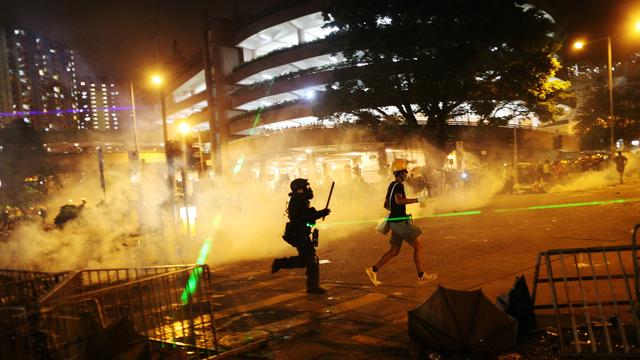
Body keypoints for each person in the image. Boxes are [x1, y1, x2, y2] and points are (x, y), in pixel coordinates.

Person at [365, 159, 437, 286]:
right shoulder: (398, 186)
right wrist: (418, 199)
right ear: (400, 173)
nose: (406, 174)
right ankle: (421, 275)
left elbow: (386, 205)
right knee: (418, 246)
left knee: (394, 250)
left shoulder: (391, 186)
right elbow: (399, 201)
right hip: (400, 223)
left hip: (395, 221)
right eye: (405, 172)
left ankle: (373, 269)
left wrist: (394, 212)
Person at [272, 178, 331, 294]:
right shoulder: (296, 200)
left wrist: (319, 212)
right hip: (299, 234)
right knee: (311, 260)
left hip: (302, 233)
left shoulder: (301, 199)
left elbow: (307, 215)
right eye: (306, 187)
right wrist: (320, 214)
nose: (308, 189)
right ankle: (312, 287)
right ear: (300, 189)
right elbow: (300, 218)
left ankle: (281, 264)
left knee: (306, 260)